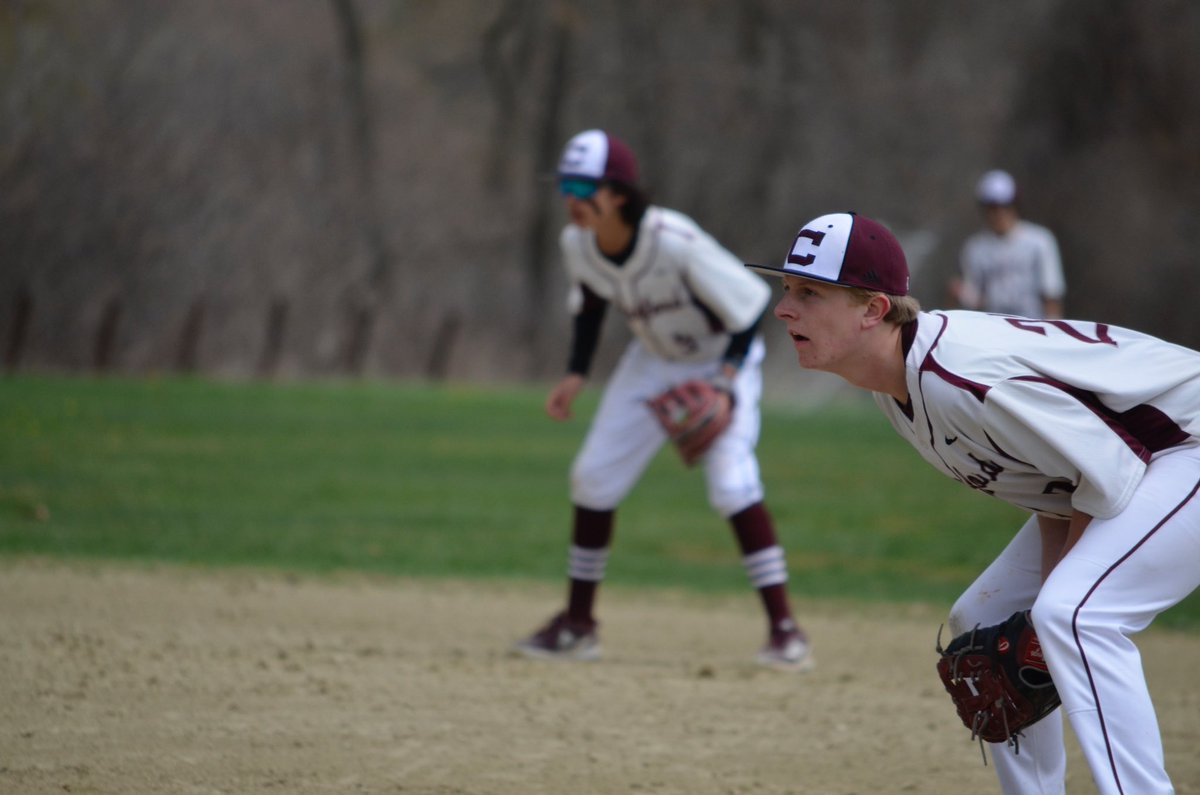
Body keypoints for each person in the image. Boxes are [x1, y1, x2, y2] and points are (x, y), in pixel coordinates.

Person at [749, 211, 1200, 793]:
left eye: (809, 293)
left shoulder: (958, 377)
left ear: (873, 309)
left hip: (1183, 442)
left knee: (1074, 615)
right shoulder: (896, 380)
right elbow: (1060, 482)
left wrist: (1047, 612)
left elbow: (1111, 467)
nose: (785, 308)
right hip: (1144, 455)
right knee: (983, 621)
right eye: (787, 290)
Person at [513, 129, 813, 671]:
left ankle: (786, 631)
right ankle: (579, 627)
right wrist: (575, 375)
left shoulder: (672, 239)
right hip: (652, 360)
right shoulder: (577, 243)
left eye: (583, 186)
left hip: (723, 357)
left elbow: (749, 308)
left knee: (730, 484)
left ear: (619, 193)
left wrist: (723, 382)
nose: (571, 198)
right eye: (565, 185)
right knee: (593, 476)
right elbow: (589, 306)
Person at [948, 169, 1066, 318]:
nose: (999, 213)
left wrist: (1053, 333)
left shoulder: (1040, 241)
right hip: (994, 329)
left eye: (1004, 206)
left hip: (1033, 325)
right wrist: (961, 294)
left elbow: (1051, 294)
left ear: (1014, 205)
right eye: (992, 207)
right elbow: (976, 299)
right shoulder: (974, 248)